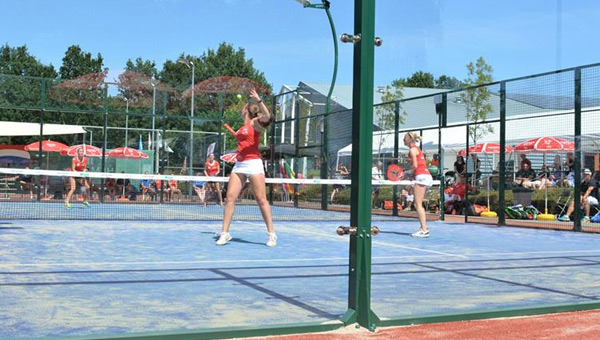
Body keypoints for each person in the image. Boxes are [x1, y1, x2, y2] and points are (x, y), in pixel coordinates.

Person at [216, 88, 277, 247]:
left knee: (261, 200)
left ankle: (271, 234)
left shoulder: (255, 123)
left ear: (246, 111)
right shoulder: (242, 127)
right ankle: (225, 233)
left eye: (244, 106)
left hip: (254, 164)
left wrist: (259, 100)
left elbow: (268, 116)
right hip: (240, 164)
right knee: (230, 198)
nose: (242, 108)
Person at [403, 132, 433, 238]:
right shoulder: (417, 149)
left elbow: (415, 165)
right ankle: (424, 228)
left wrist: (406, 172)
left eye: (405, 138)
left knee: (417, 204)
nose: (403, 140)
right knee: (418, 204)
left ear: (410, 139)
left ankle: (424, 230)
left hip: (422, 177)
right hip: (424, 176)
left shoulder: (412, 150)